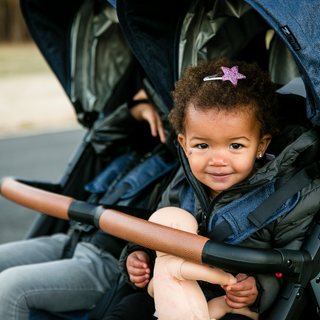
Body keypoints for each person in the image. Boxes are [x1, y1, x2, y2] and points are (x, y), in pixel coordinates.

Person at [112, 57, 320, 320]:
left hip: (233, 303)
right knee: (128, 308)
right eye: (202, 146)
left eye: (235, 146)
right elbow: (157, 233)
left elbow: (294, 266)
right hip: (177, 291)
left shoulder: (287, 198)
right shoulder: (182, 186)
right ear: (184, 143)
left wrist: (258, 287)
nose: (218, 160)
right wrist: (138, 255)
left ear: (261, 146)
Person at [0, 89, 166, 320]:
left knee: (10, 288)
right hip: (74, 236)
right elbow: (100, 137)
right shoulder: (136, 143)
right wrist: (136, 110)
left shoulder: (185, 162)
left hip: (106, 258)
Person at [147, 207, 258, 320]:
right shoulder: (174, 264)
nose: (198, 237)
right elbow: (206, 273)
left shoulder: (159, 264)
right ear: (176, 229)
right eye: (195, 233)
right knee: (222, 304)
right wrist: (228, 279)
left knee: (221, 304)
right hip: (193, 317)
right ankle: (253, 314)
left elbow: (151, 290)